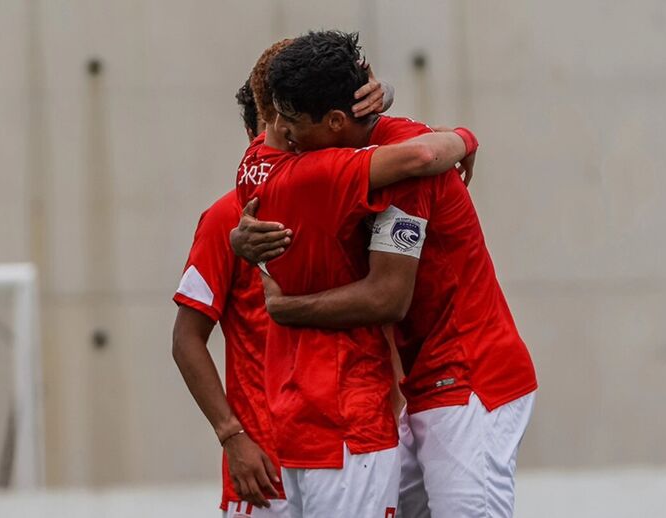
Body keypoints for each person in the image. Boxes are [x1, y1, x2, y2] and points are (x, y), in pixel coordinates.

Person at [236, 30, 538, 518]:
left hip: (469, 375)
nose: (284, 136)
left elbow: (387, 297)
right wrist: (462, 136)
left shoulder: (407, 168)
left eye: (293, 123)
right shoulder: (352, 154)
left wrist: (288, 309)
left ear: (335, 120)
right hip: (428, 382)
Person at [171, 42, 395, 517]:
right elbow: (186, 338)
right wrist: (233, 437)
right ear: (263, 127)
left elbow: (388, 302)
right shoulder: (226, 219)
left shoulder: (339, 194)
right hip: (263, 469)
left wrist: (383, 96)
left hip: (340, 439)